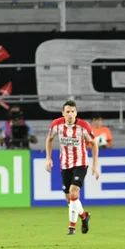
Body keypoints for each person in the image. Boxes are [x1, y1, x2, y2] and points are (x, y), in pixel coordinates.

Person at [45, 100, 100, 236]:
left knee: (74, 193)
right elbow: (49, 140)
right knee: (70, 199)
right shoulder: (56, 125)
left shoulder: (84, 126)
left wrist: (95, 165)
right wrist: (48, 158)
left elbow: (94, 144)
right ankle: (84, 216)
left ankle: (71, 228)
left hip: (80, 163)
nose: (70, 114)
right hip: (65, 164)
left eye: (73, 112)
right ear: (63, 113)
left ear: (76, 113)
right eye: (67, 112)